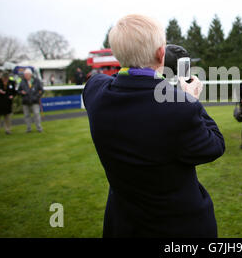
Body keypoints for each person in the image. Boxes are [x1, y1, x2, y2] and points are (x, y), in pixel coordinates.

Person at [83, 14, 225, 238]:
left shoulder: (95, 93)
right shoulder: (180, 108)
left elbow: (110, 80)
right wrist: (189, 98)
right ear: (161, 53)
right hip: (178, 227)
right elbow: (214, 145)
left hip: (123, 225)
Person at [18, 68, 44, 133]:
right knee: (26, 115)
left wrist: (37, 96)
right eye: (25, 75)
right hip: (25, 101)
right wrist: (21, 92)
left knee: (36, 114)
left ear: (30, 75)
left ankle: (39, 128)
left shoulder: (36, 81)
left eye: (27, 74)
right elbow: (18, 91)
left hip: (34, 101)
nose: (25, 76)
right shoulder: (22, 81)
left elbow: (41, 90)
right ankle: (28, 128)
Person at [0, 72, 16, 136]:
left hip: (8, 102)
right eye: (4, 78)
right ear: (2, 77)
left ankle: (8, 130)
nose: (5, 79)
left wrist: (12, 95)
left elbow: (14, 91)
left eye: (6, 78)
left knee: (7, 117)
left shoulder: (11, 82)